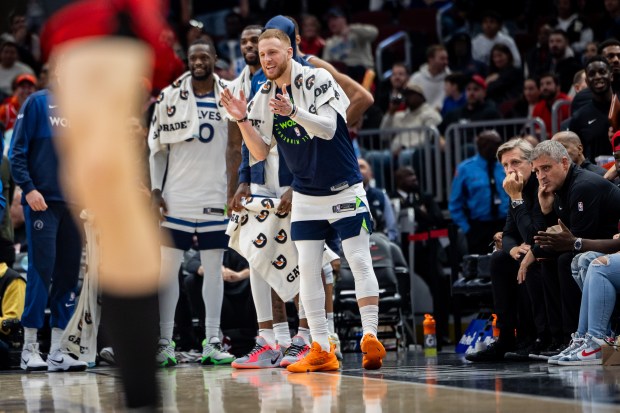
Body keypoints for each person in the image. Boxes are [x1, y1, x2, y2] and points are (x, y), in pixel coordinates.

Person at [221, 28, 385, 372]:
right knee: (307, 270)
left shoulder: (318, 78)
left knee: (357, 259)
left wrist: (293, 111)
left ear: (290, 52)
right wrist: (241, 120)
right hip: (306, 193)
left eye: (273, 52)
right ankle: (321, 347)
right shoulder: (263, 95)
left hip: (343, 187)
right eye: (262, 54)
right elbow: (260, 151)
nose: (266, 59)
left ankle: (371, 336)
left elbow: (327, 128)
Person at [149, 39, 235, 367]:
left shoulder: (230, 93)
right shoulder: (170, 96)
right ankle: (164, 342)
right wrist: (157, 191)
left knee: (213, 270)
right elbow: (157, 149)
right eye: (192, 57)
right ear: (187, 61)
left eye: (204, 57)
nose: (198, 62)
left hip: (215, 195)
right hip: (177, 198)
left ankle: (212, 339)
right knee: (167, 271)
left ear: (214, 58)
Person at [9, 63, 86, 372]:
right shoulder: (38, 102)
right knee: (41, 272)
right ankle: (29, 349)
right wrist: (28, 189)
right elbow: (17, 151)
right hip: (42, 203)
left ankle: (57, 350)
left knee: (68, 276)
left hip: (74, 206)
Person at [518, 140, 620, 350]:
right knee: (546, 259)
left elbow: (575, 238)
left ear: (564, 163)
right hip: (595, 244)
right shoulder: (558, 189)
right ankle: (559, 339)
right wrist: (545, 212)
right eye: (536, 171)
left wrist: (539, 247)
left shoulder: (583, 186)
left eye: (546, 168)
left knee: (568, 260)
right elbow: (550, 237)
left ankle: (578, 336)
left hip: (610, 246)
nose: (541, 176)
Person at [466, 138, 547, 362]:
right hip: (526, 250)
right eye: (505, 165)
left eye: (515, 163)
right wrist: (512, 249)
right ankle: (505, 338)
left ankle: (536, 337)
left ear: (531, 163)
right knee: (500, 259)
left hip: (547, 250)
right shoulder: (515, 189)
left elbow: (534, 235)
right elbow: (509, 232)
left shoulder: (542, 186)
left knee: (529, 262)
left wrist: (517, 198)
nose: (510, 170)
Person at [448, 130, 508, 255]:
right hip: (479, 227)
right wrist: (467, 229)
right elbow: (455, 203)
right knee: (482, 265)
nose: (500, 147)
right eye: (496, 144)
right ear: (484, 146)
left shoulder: (505, 165)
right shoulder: (465, 169)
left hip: (505, 224)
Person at [568, 56, 612, 162]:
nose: (597, 76)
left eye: (602, 72)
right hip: (597, 176)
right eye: (592, 74)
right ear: (587, 81)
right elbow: (577, 158)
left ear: (611, 76)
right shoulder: (579, 117)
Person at [380, 82, 442, 154]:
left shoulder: (431, 115)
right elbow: (383, 136)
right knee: (372, 156)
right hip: (393, 153)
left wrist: (404, 148)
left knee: (404, 156)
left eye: (410, 94)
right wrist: (390, 113)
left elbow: (426, 139)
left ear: (420, 96)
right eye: (405, 94)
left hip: (415, 152)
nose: (407, 97)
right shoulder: (400, 116)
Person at [321, 7, 378, 80]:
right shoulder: (329, 42)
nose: (331, 22)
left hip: (364, 73)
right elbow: (326, 64)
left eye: (334, 18)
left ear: (344, 19)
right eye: (329, 20)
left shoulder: (356, 32)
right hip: (343, 76)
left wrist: (351, 28)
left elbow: (374, 33)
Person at [358, 158, 398, 243]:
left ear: (370, 174)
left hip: (380, 244)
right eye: (355, 167)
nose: (358, 170)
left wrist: (385, 242)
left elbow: (391, 229)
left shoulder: (381, 196)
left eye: (362, 167)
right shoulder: (344, 198)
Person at [409, 45, 451, 112]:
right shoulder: (416, 78)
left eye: (446, 59)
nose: (446, 62)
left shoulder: (450, 79)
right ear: (431, 59)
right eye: (442, 59)